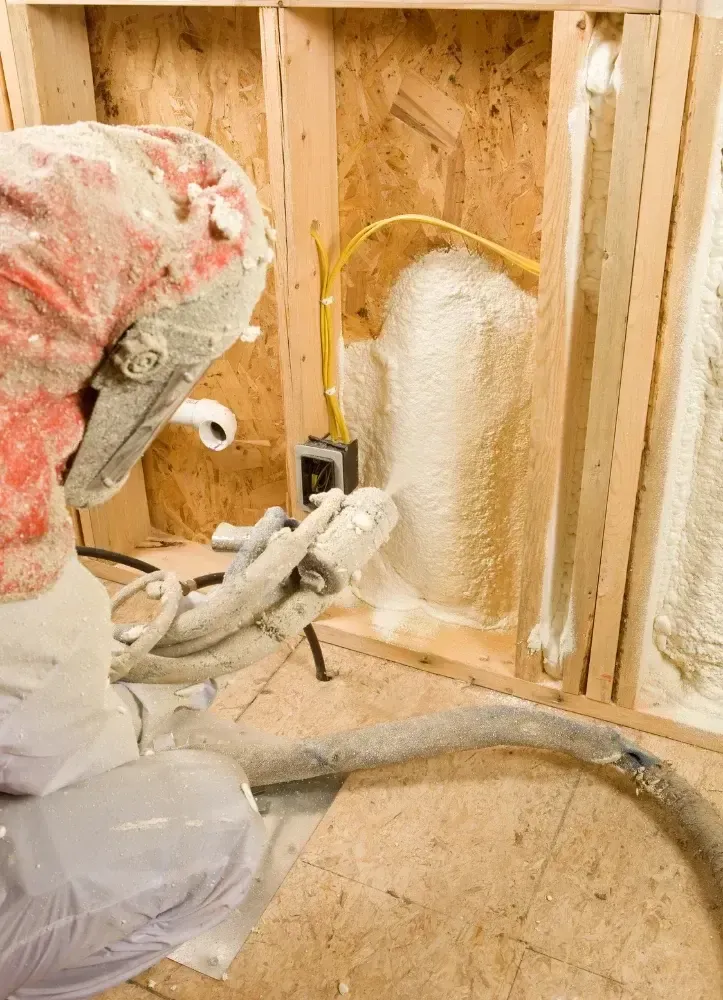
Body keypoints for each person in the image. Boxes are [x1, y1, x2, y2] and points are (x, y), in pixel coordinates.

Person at [0, 121, 394, 999]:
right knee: (207, 820)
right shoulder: (29, 635)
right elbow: (59, 747)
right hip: (39, 712)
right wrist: (131, 717)